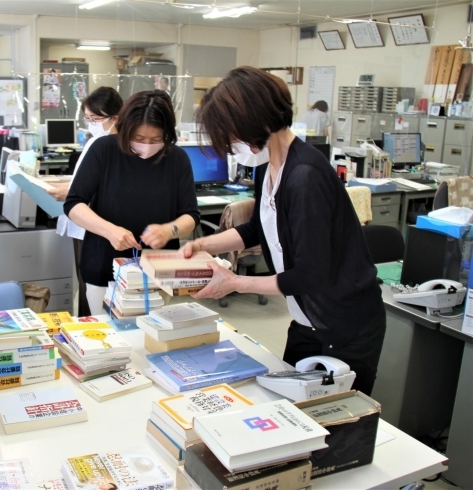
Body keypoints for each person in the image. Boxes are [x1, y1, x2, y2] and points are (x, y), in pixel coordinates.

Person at [184, 67, 385, 395]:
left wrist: (234, 283)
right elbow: (257, 229)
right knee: (286, 405)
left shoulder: (304, 177)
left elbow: (310, 276)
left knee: (334, 426)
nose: (233, 147)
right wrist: (203, 245)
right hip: (307, 320)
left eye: (233, 137)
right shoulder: (270, 166)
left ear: (256, 122)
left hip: (344, 325)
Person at [64, 90, 200, 315]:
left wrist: (170, 230)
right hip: (104, 265)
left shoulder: (176, 158)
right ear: (125, 128)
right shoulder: (104, 150)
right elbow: (74, 204)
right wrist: (110, 231)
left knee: (150, 336)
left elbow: (191, 215)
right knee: (108, 339)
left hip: (158, 268)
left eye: (156, 139)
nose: (147, 145)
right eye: (138, 138)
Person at [47, 87, 123, 316]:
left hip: (97, 225)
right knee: (88, 284)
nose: (91, 124)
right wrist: (70, 189)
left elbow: (105, 187)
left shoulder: (115, 145)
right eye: (87, 119)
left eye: (96, 118)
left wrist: (70, 191)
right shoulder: (97, 142)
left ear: (116, 117)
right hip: (84, 220)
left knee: (95, 287)